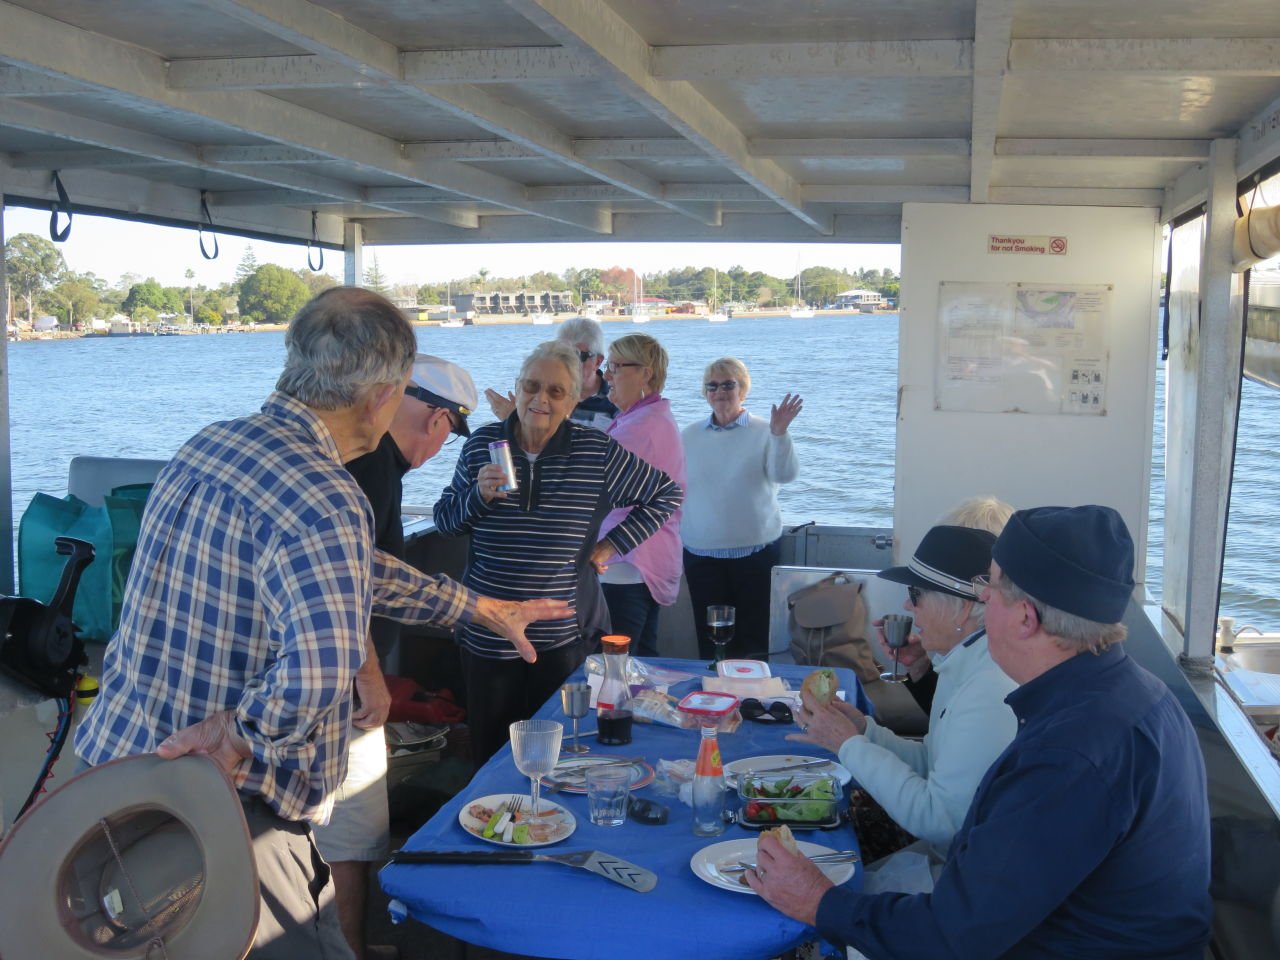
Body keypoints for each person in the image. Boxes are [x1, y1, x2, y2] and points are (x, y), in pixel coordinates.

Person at [73, 287, 568, 960]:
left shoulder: (209, 445)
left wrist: (474, 606)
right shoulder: (325, 493)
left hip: (115, 770)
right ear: (383, 396)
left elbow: (349, 565)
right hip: (219, 804)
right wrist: (236, 734)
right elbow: (321, 669)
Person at [749, 505, 1212, 959]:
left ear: (1026, 618)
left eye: (990, 591)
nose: (980, 601)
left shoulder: (1069, 755)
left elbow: (953, 936)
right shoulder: (1137, 695)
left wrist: (819, 902)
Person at [434, 340, 682, 765]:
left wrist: (612, 544)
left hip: (562, 638)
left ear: (573, 401)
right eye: (531, 386)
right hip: (489, 633)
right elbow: (445, 521)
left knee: (563, 757)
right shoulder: (482, 445)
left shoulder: (596, 452)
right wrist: (478, 496)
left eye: (556, 391)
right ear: (517, 388)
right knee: (492, 757)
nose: (541, 399)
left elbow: (665, 495)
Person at [315, 353, 478, 960]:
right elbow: (345, 587)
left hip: (327, 675)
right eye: (448, 432)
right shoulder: (375, 470)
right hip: (341, 686)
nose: (440, 445)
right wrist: (372, 679)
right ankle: (349, 951)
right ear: (437, 420)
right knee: (351, 837)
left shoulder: (359, 459)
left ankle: (343, 945)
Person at [791, 525, 1017, 889]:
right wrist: (865, 731)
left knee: (811, 878)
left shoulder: (989, 690)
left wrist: (848, 745)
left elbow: (938, 818)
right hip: (953, 854)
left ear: (962, 609)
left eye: (916, 594)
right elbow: (931, 761)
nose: (907, 606)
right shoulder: (964, 664)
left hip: (968, 881)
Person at [680, 356, 802, 660]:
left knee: (753, 641)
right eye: (712, 386)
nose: (719, 392)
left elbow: (784, 475)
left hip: (755, 554)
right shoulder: (688, 436)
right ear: (705, 392)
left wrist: (780, 434)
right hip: (701, 554)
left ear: (743, 390)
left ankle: (751, 690)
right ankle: (713, 689)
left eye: (728, 385)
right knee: (711, 645)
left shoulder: (766, 430)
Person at [598, 333, 686, 657]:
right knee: (642, 661)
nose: (606, 376)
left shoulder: (643, 426)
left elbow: (590, 476)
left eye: (615, 367)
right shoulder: (646, 417)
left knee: (615, 666)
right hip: (639, 562)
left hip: (627, 564)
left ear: (645, 373)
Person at [890, 496, 1016, 716]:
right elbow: (946, 720)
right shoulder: (968, 652)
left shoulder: (993, 682)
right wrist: (919, 666)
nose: (907, 604)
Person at [483, 315, 616, 430]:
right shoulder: (540, 396)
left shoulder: (616, 400)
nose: (566, 363)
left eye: (577, 356)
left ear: (598, 361)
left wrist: (515, 420)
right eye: (561, 354)